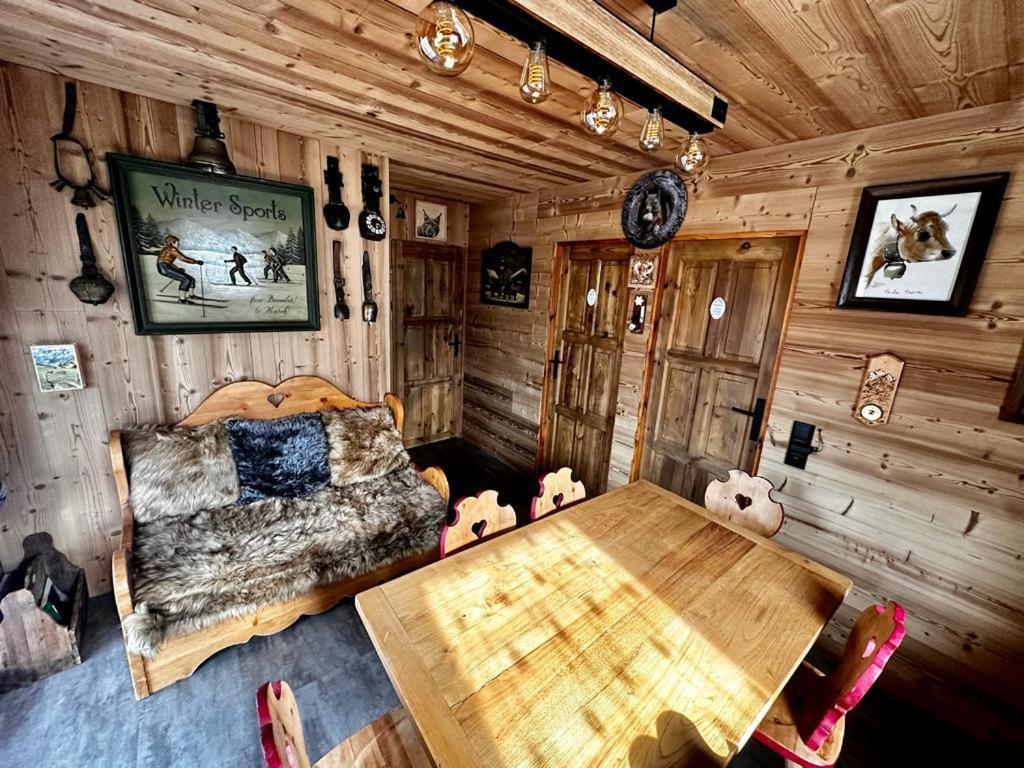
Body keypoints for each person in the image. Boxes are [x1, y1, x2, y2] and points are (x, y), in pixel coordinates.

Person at [157, 234, 203, 304]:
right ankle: (182, 299)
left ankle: (190, 295)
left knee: (191, 280)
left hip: (165, 267)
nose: (178, 245)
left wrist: (177, 269)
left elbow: (168, 262)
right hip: (164, 267)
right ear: (173, 242)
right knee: (186, 280)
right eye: (177, 243)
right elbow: (183, 258)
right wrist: (196, 262)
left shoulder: (168, 248)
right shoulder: (172, 248)